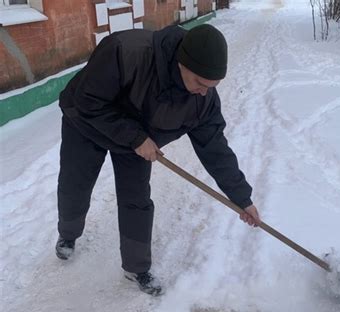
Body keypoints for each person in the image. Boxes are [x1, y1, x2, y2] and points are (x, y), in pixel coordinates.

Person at [55, 24, 261, 296]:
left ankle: (136, 267)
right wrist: (136, 137)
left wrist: (242, 198)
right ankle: (68, 234)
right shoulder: (126, 52)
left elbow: (215, 149)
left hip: (137, 140)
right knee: (76, 182)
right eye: (200, 82)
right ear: (181, 62)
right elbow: (88, 100)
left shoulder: (203, 100)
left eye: (212, 86)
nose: (204, 91)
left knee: (136, 199)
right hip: (85, 121)